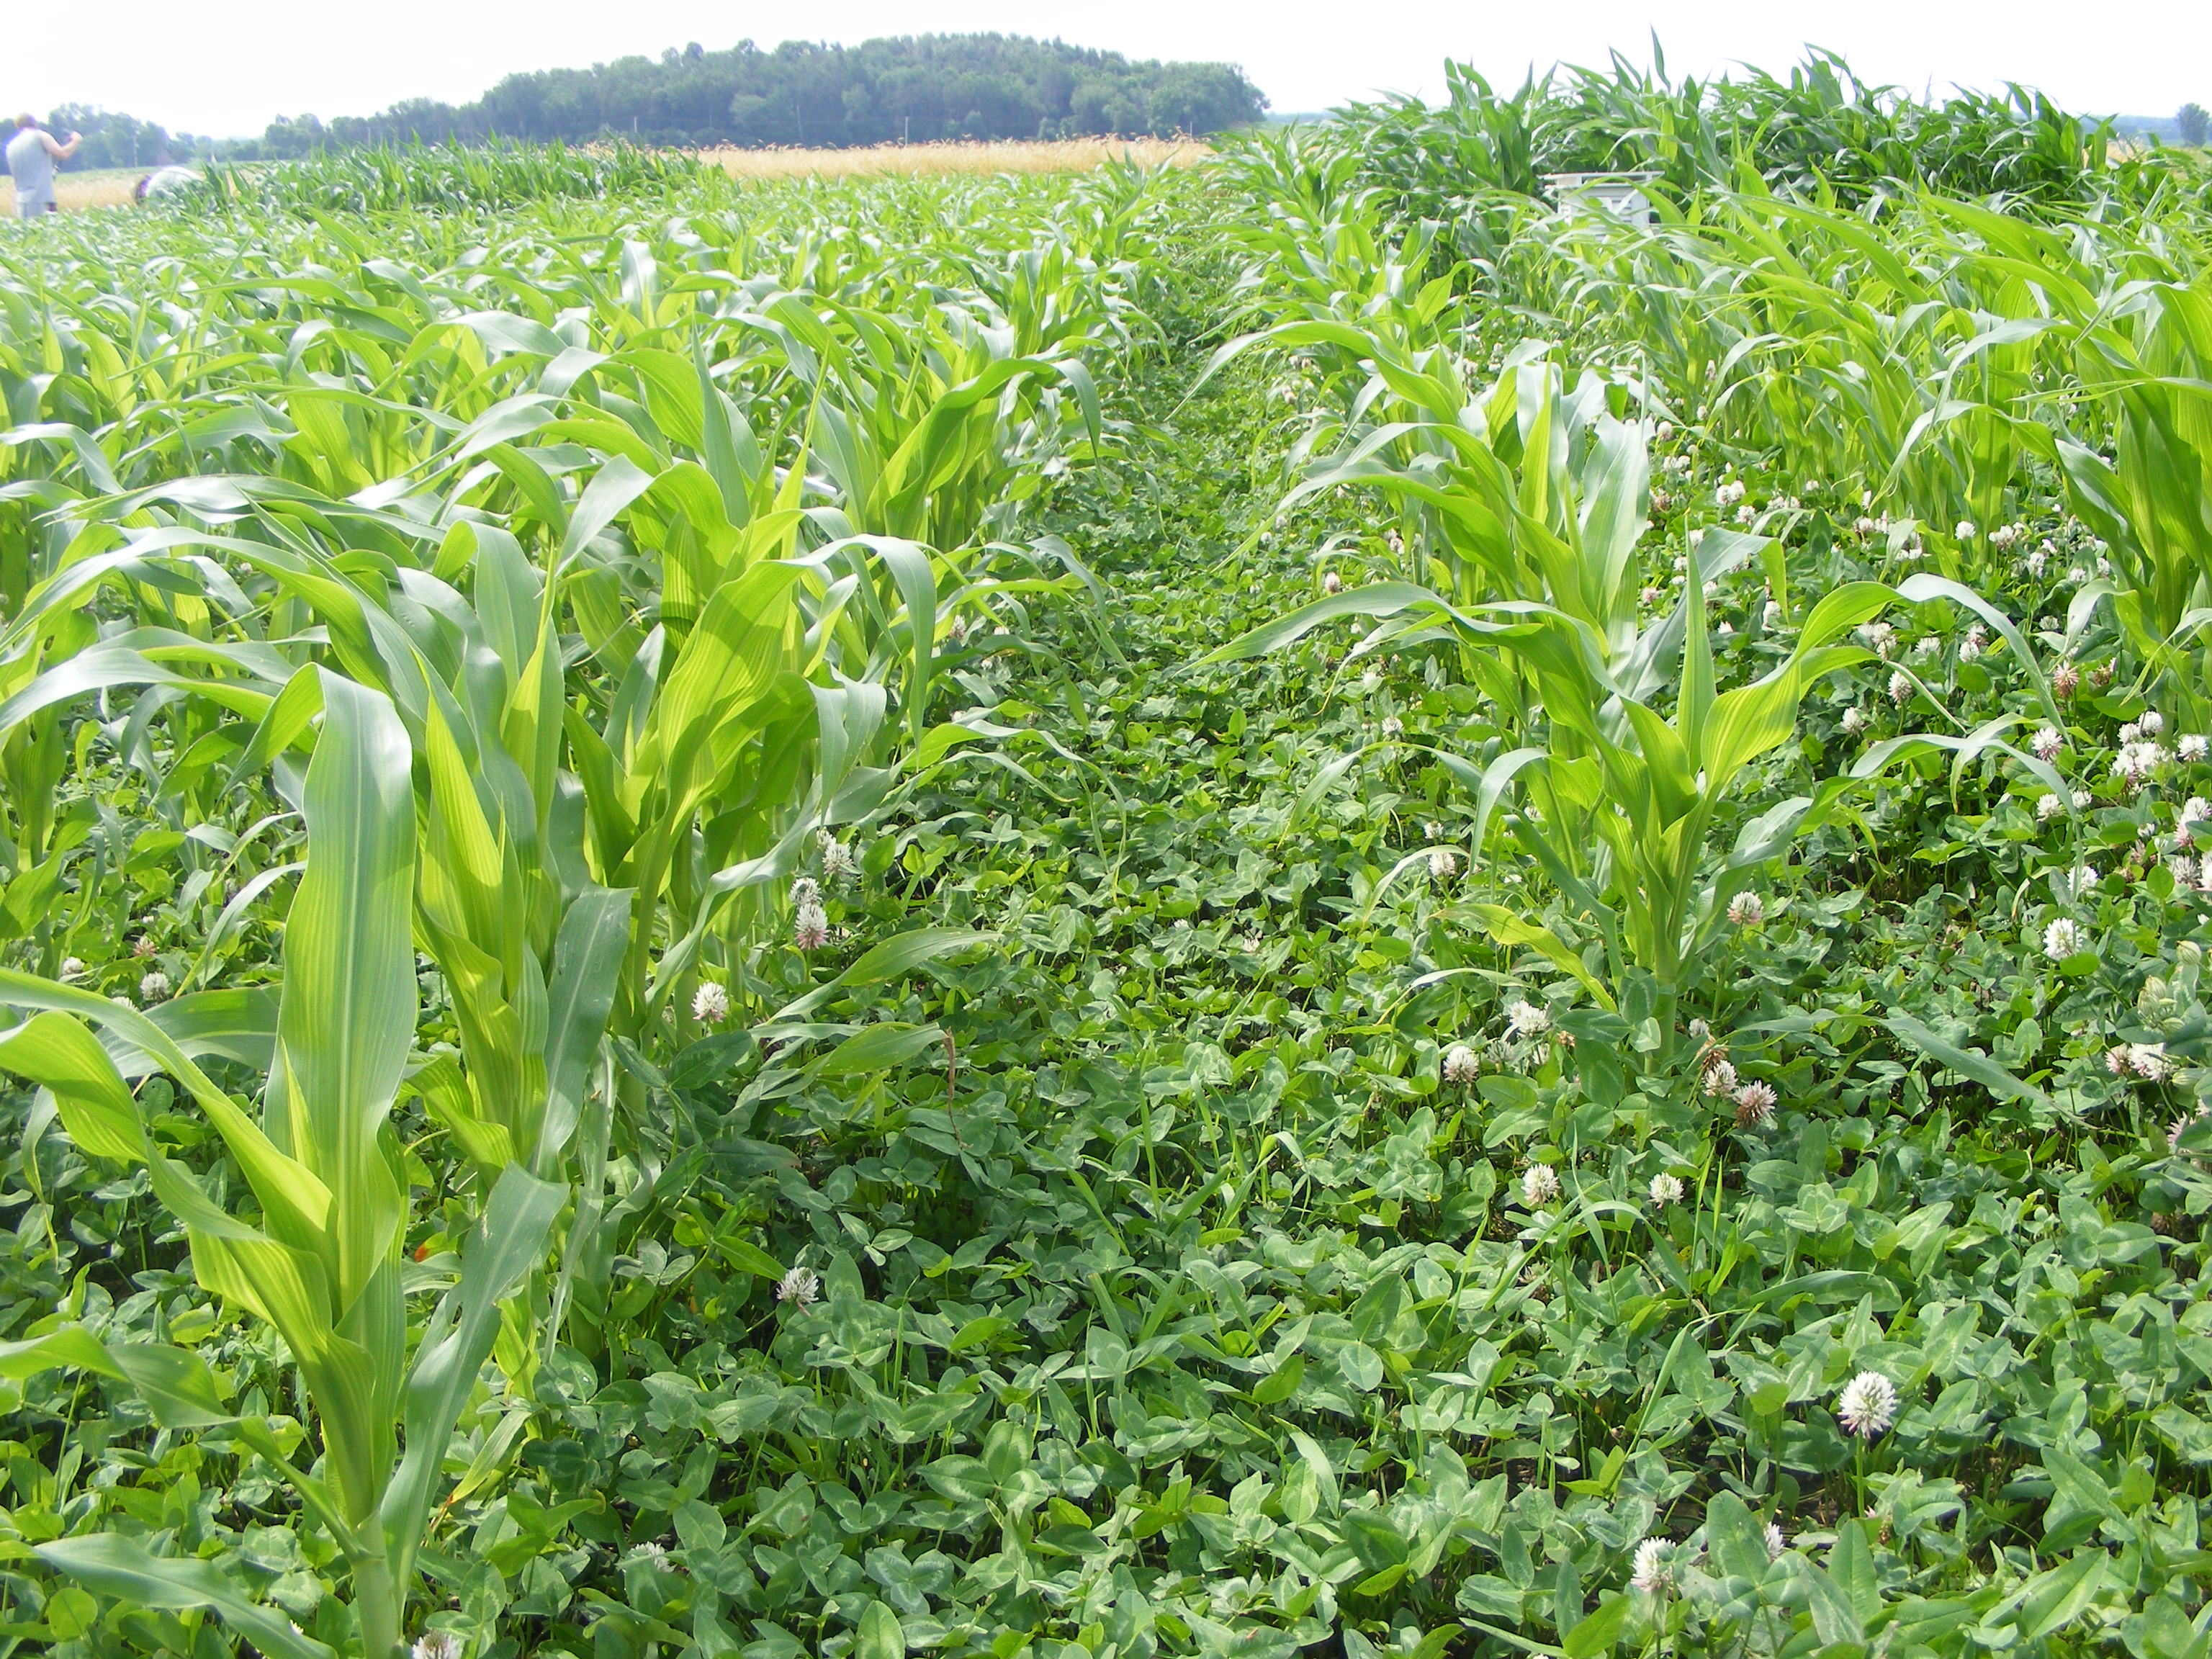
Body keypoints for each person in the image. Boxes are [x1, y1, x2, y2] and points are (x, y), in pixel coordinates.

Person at [6, 115, 81, 220]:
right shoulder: (41, 136)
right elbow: (63, 154)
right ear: (35, 124)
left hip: (21, 203)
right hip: (42, 201)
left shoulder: (11, 146)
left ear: (18, 127)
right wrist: (76, 141)